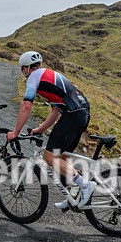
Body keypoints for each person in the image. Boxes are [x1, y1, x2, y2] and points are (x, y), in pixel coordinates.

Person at [7, 51, 95, 210]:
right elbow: (55, 111)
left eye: (22, 69)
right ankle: (72, 196)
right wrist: (39, 129)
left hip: (73, 115)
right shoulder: (50, 75)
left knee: (49, 157)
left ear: (26, 68)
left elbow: (26, 105)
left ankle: (85, 185)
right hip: (82, 114)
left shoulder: (34, 77)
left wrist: (15, 132)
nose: (24, 73)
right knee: (61, 158)